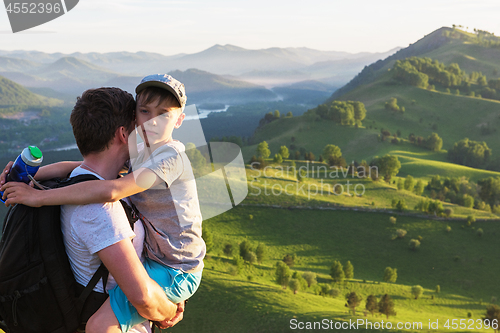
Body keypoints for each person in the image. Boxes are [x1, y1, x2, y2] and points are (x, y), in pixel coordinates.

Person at [1, 74, 205, 333]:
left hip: (177, 266)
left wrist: (39, 196)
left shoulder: (170, 157)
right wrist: (28, 177)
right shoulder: (137, 160)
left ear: (179, 120)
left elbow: (112, 190)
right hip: (162, 262)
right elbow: (74, 167)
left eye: (163, 114)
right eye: (143, 112)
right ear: (126, 129)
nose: (151, 122)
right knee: (99, 326)